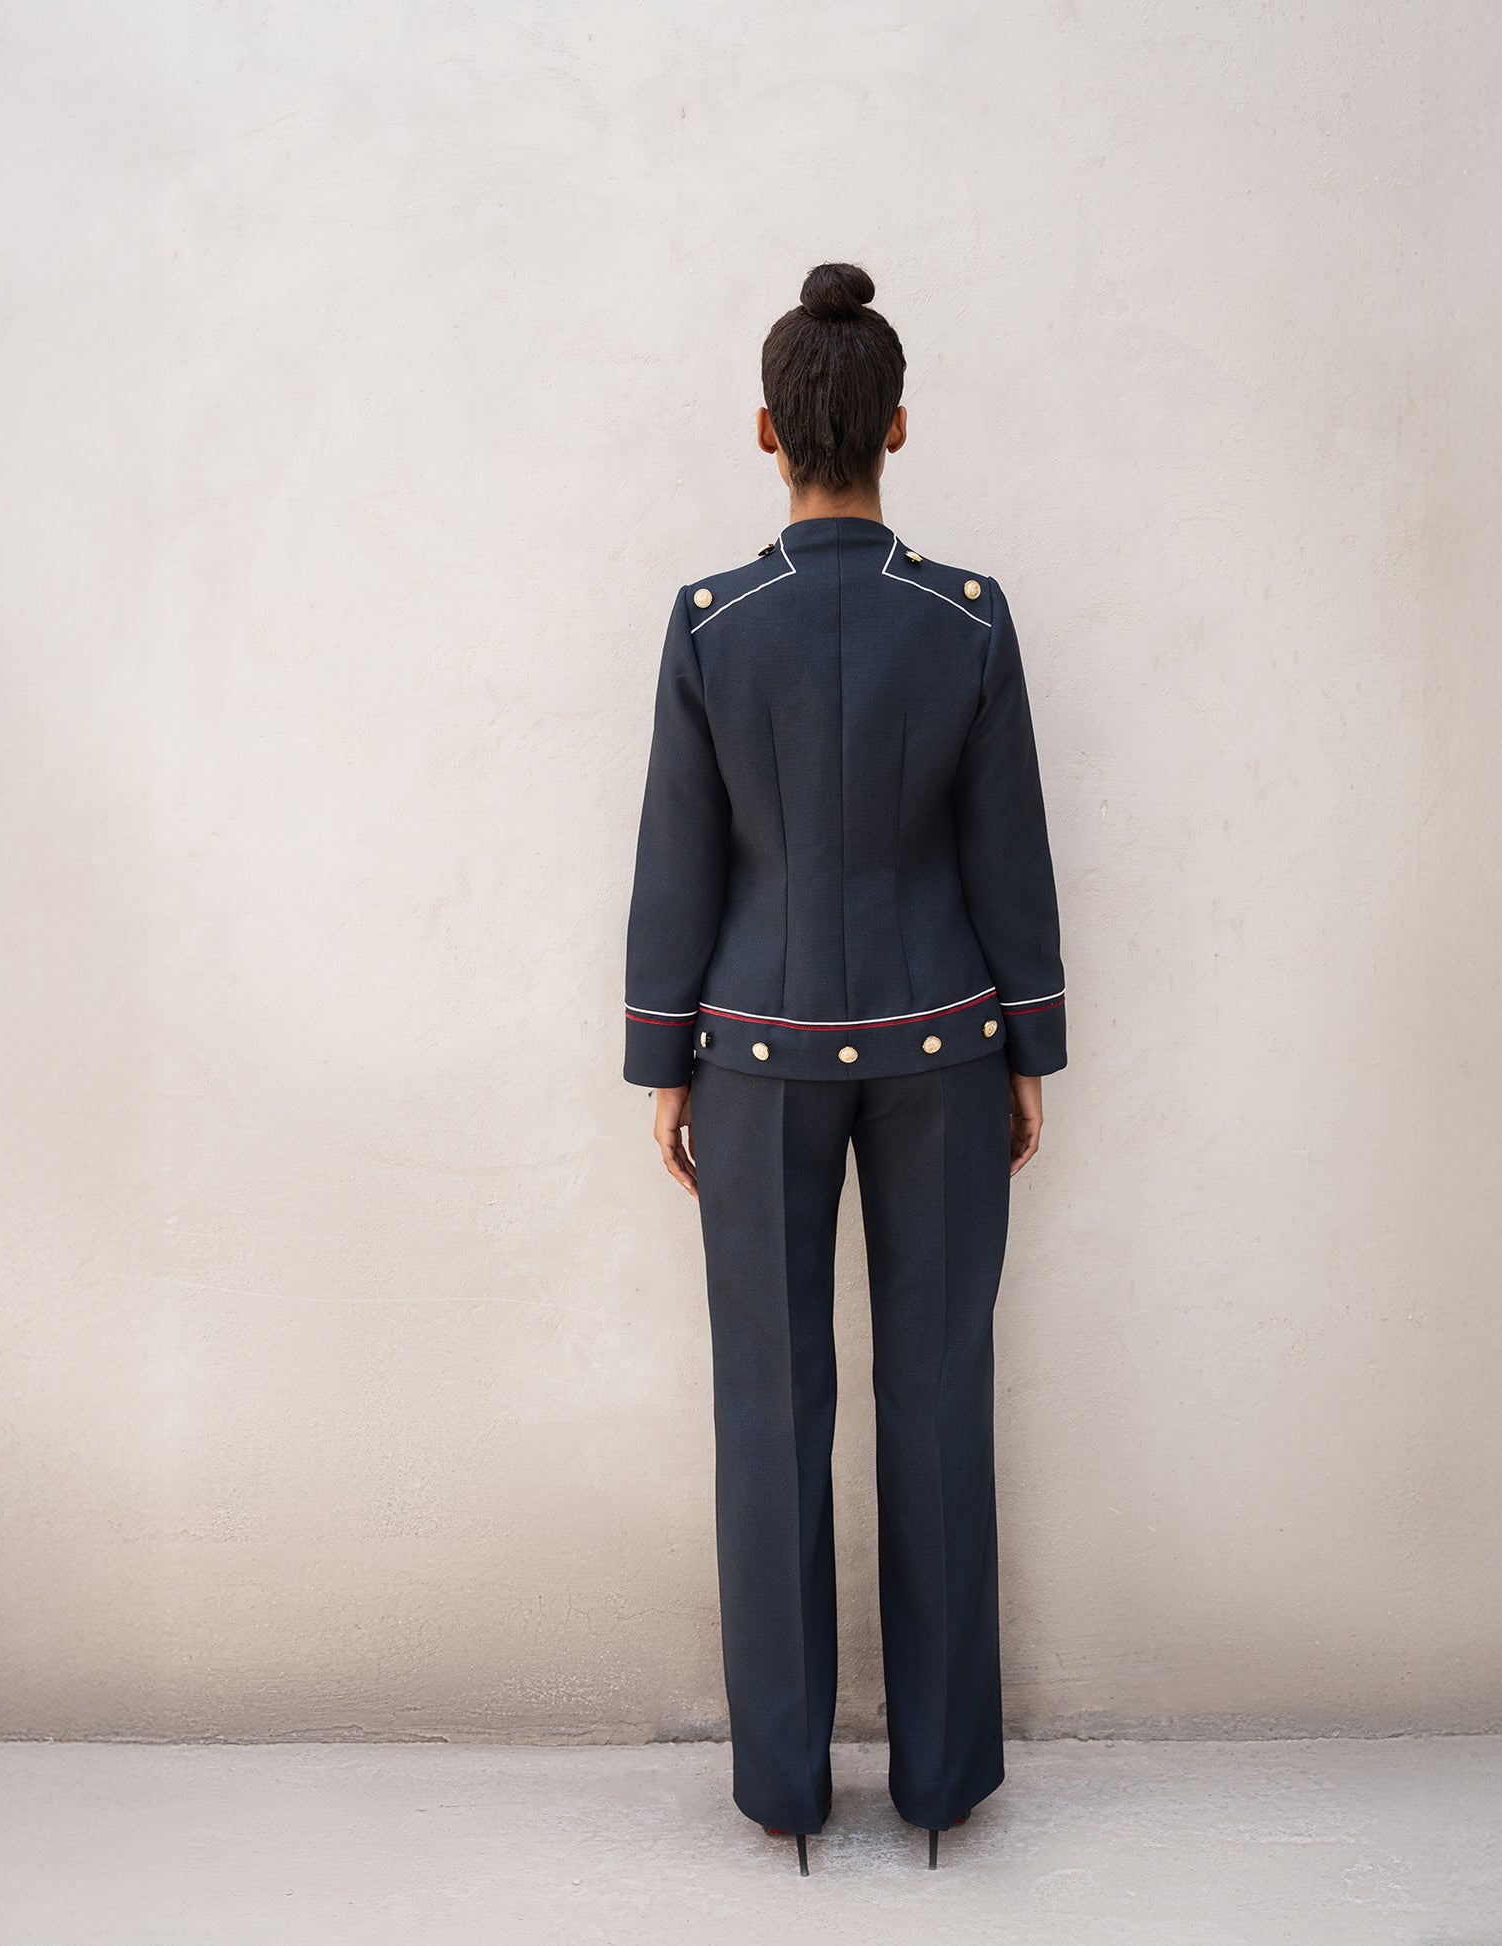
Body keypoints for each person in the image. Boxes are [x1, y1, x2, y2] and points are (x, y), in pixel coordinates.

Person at [622, 262, 1066, 1875]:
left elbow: (681, 858)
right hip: (947, 1036)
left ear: (764, 430)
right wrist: (1034, 1040)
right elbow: (1003, 846)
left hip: (749, 1049)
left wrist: (660, 1056)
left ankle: (783, 1793)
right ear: (896, 427)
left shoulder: (706, 623)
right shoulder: (962, 617)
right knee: (937, 1394)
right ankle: (941, 1784)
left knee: (769, 1398)